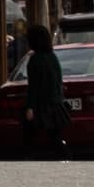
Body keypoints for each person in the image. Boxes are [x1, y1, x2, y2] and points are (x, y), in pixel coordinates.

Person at [22, 23, 65, 161]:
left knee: (31, 138)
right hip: (55, 104)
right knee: (54, 137)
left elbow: (33, 86)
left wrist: (30, 107)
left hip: (41, 106)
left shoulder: (35, 59)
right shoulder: (52, 57)